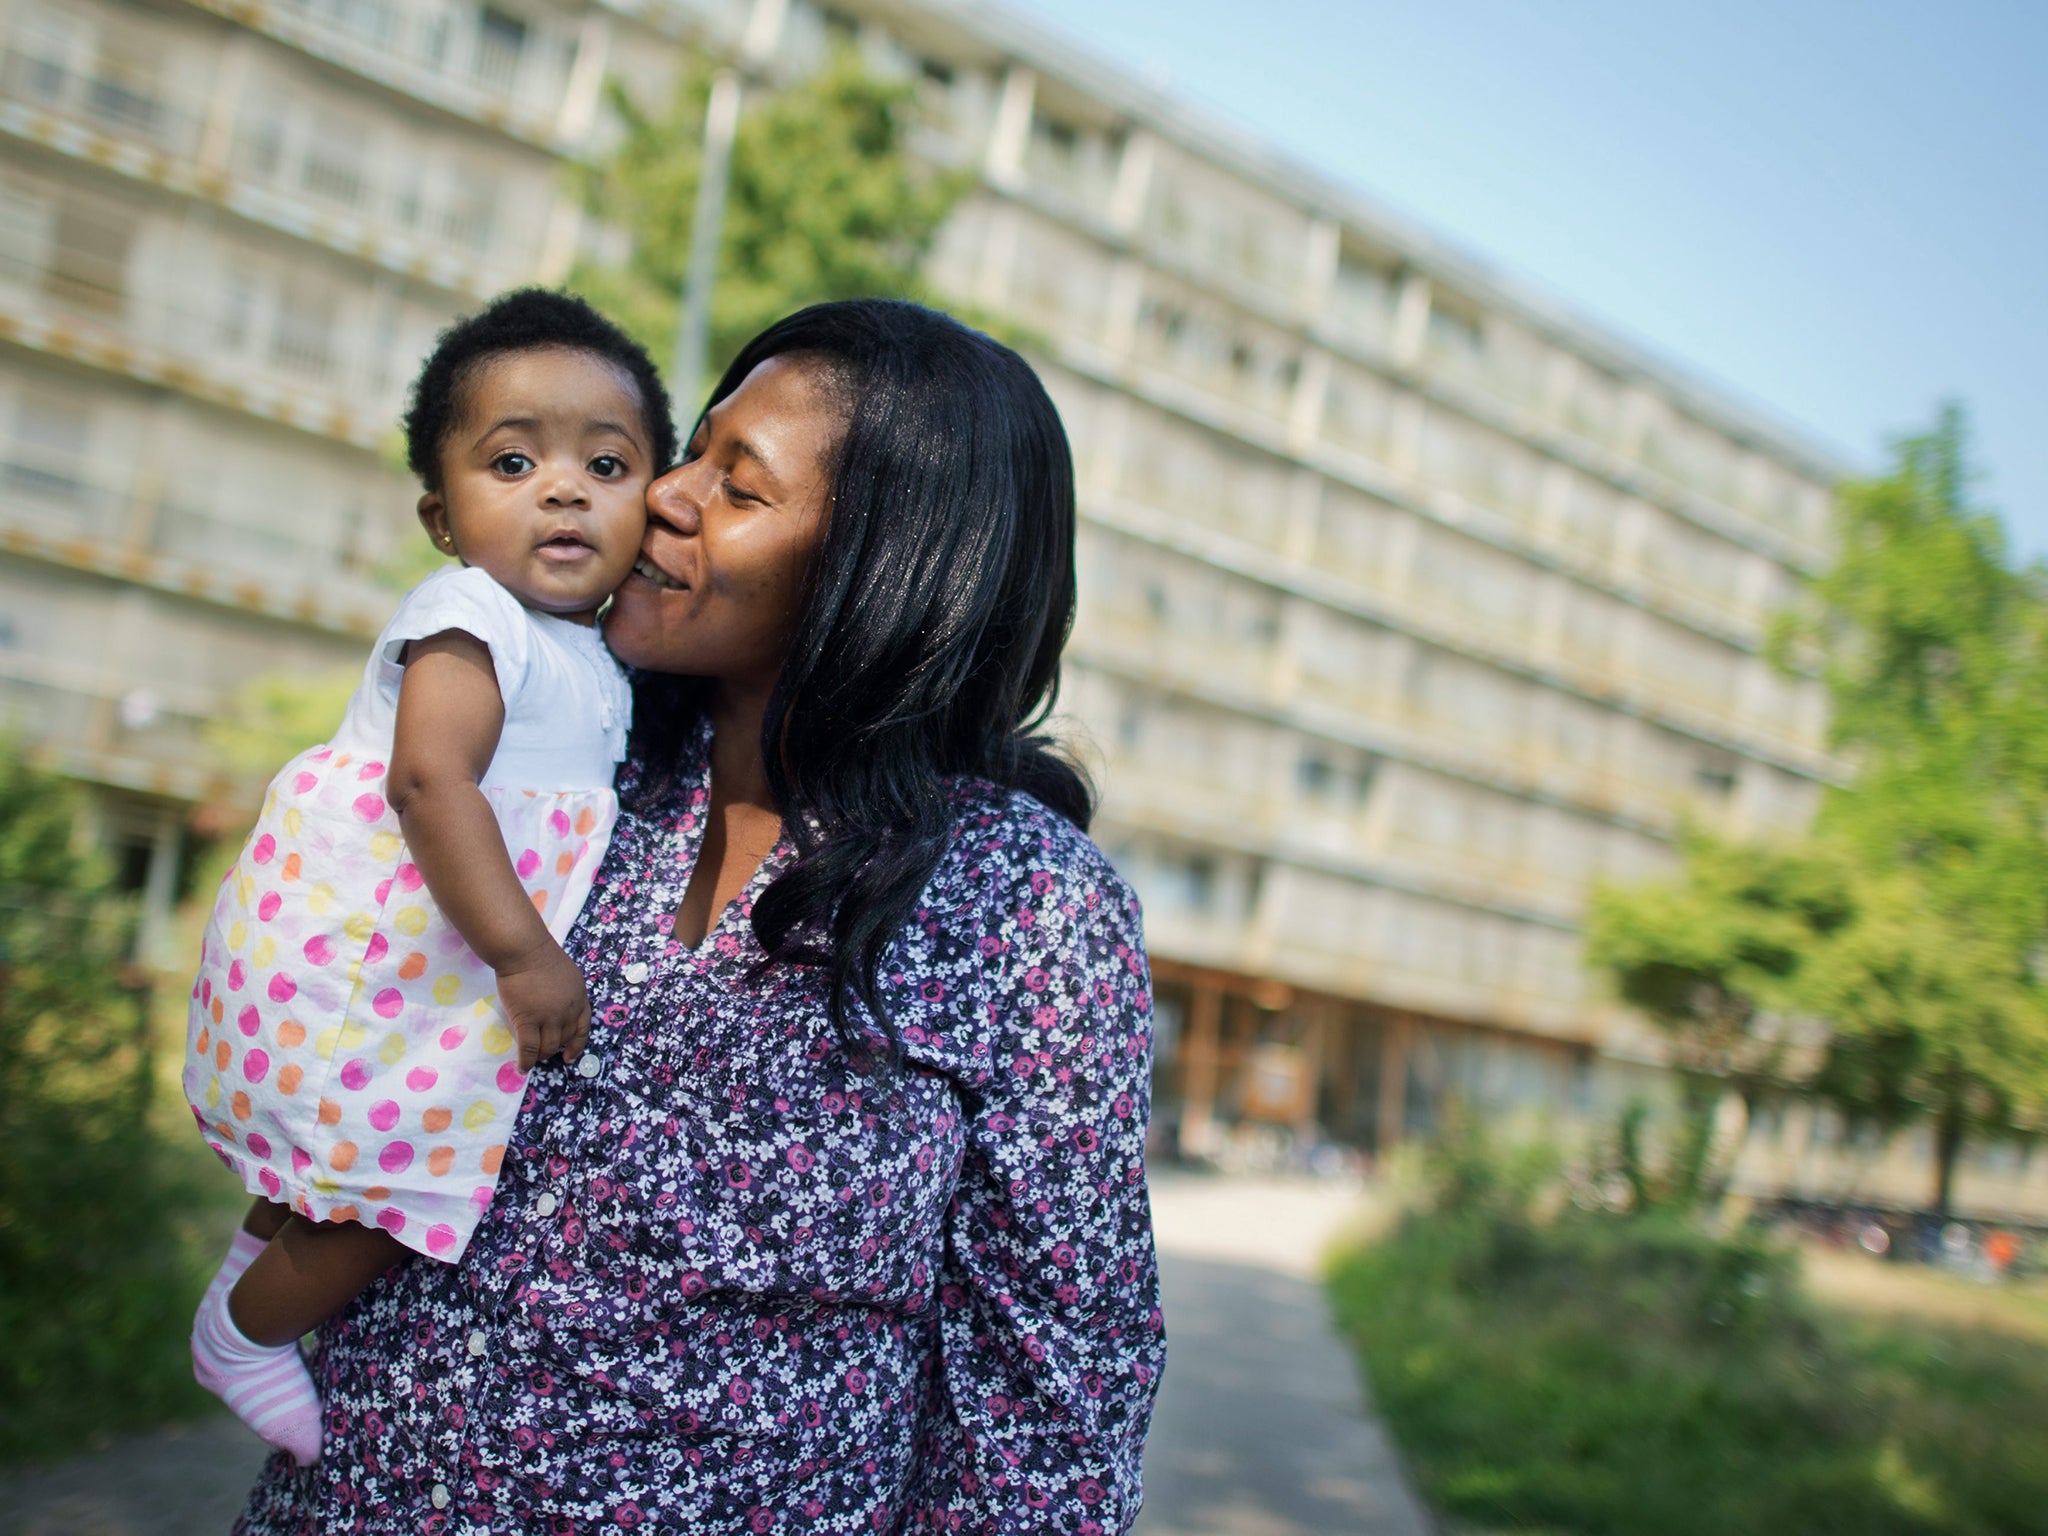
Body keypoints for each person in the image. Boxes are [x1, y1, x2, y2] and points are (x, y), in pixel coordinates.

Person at [233, 299, 1166, 1533]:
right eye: (692, 451)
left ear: (879, 568)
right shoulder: (554, 766)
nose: (663, 494)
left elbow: (1055, 1377)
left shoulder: (1026, 904)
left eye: (738, 487)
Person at [183, 289, 676, 1465]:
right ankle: (243, 1336)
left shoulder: (594, 650)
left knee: (345, 1170)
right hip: (388, 959)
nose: (563, 488)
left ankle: (254, 1277)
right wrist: (524, 954)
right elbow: (432, 785)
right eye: (511, 461)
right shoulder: (468, 615)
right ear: (441, 516)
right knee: (402, 1195)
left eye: (605, 463)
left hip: (434, 972)